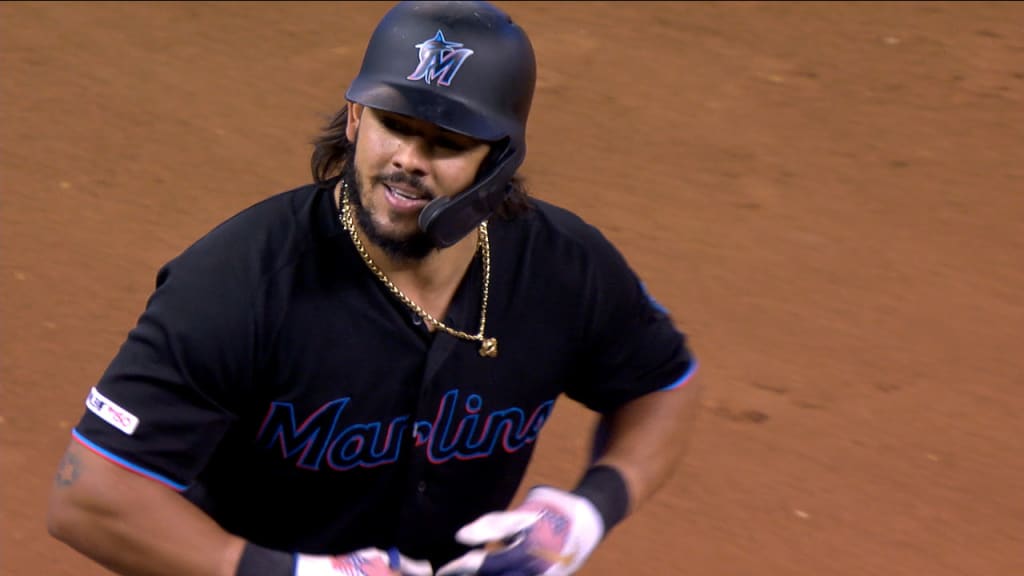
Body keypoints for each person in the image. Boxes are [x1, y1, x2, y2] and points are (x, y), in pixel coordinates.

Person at [46, 1, 701, 575]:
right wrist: (292, 574)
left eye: (445, 143)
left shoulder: (563, 268)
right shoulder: (238, 282)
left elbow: (661, 382)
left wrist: (591, 509)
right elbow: (90, 496)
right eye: (395, 124)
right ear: (355, 117)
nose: (409, 160)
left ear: (498, 162)